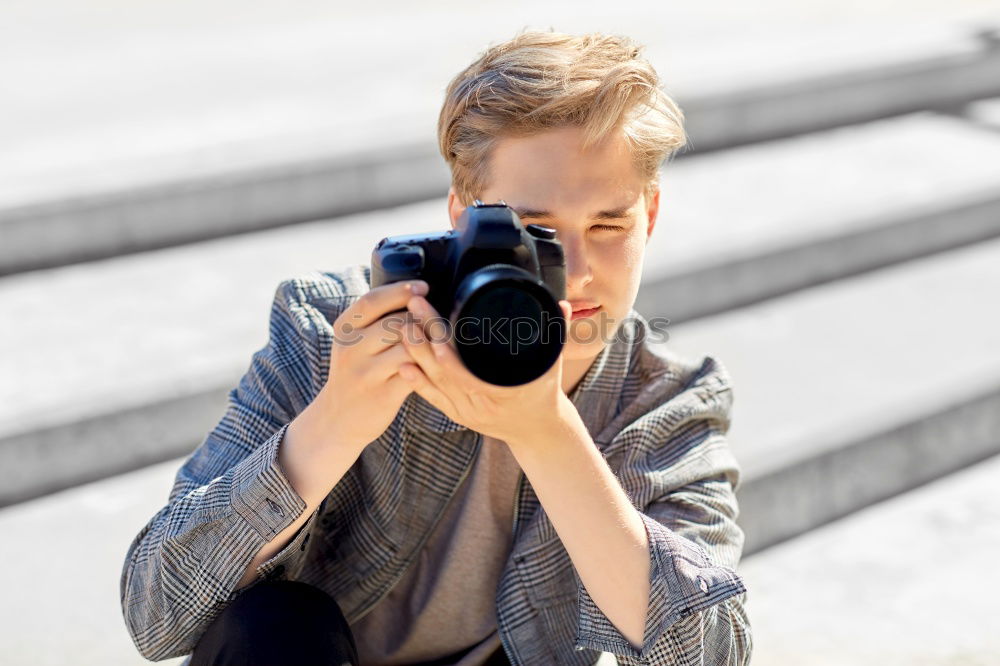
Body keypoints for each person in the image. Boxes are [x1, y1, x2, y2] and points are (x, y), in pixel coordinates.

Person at [120, 30, 751, 666]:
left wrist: (549, 436)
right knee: (273, 625)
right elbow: (157, 614)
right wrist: (336, 422)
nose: (577, 270)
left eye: (608, 225)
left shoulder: (660, 402)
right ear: (462, 218)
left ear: (651, 214)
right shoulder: (332, 332)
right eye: (535, 233)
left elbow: (716, 653)